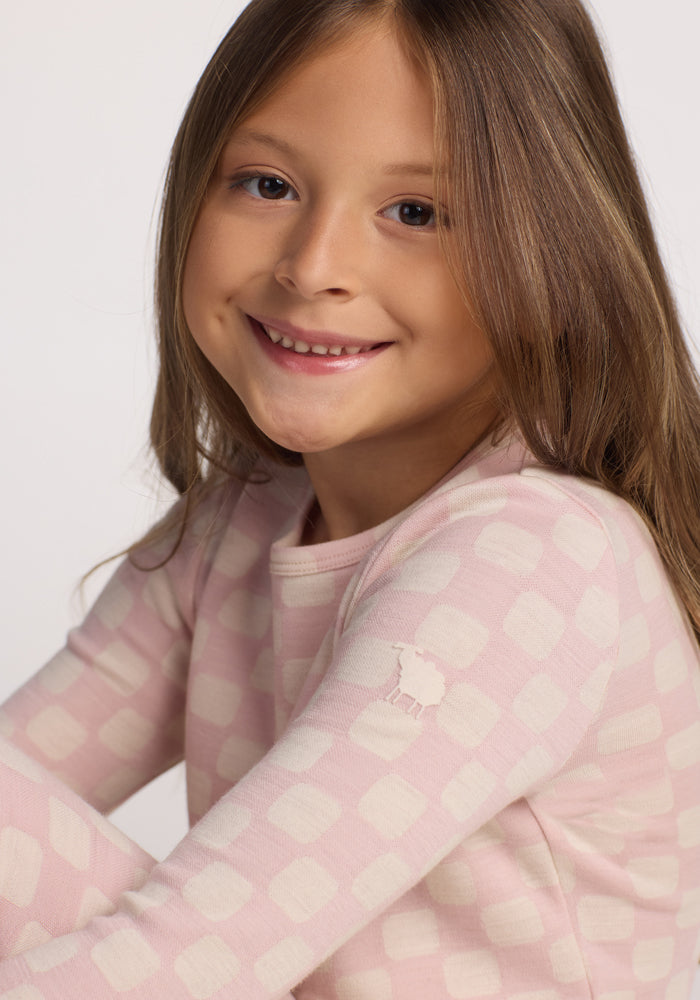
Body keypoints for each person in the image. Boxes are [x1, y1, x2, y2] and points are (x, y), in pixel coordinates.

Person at [0, 0, 699, 996]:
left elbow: (182, 960)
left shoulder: (540, 557)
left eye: (415, 213)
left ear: (557, 263)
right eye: (268, 185)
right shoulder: (240, 521)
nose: (314, 267)